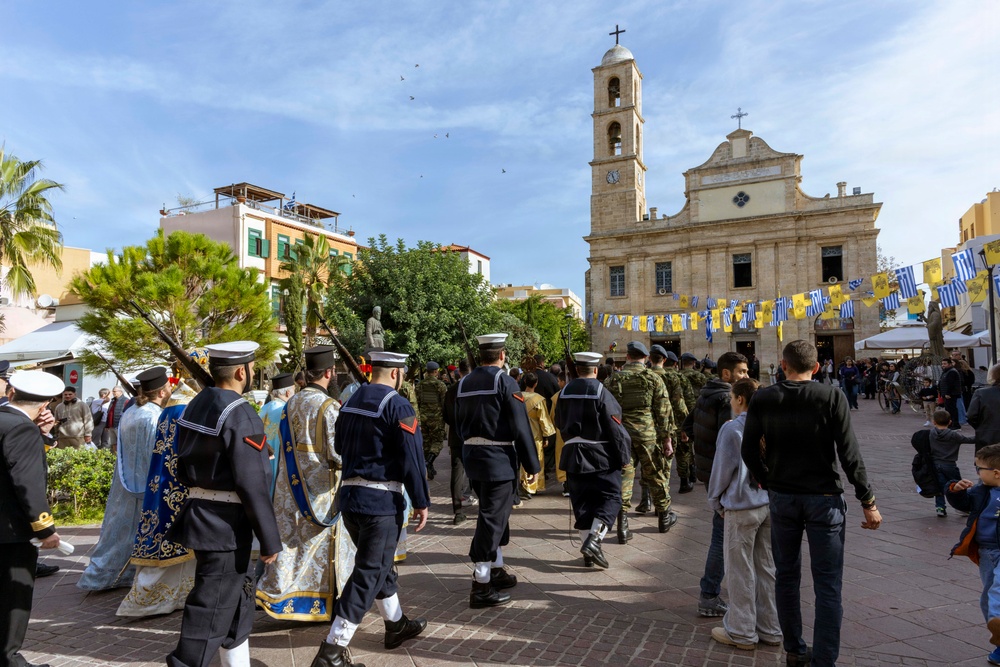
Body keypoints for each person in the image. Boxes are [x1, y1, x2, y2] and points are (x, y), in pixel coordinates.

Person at [741, 340, 882, 667]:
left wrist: (767, 480)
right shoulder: (831, 396)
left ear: (783, 364)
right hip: (824, 499)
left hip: (783, 497)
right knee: (828, 583)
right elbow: (849, 454)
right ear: (816, 367)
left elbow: (749, 450)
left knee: (786, 575)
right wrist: (868, 499)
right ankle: (824, 658)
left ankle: (794, 647)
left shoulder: (764, 397)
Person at [308, 351, 430, 667]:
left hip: (350, 500)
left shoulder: (348, 402)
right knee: (370, 571)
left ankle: (396, 624)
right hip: (380, 502)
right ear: (395, 374)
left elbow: (338, 446)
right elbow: (412, 457)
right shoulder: (397, 405)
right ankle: (333, 649)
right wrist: (421, 500)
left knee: (378, 565)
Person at [166, 341, 282, 667]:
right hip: (226, 524)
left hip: (203, 515)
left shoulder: (195, 404)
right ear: (242, 371)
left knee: (236, 603)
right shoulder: (241, 413)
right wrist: (270, 538)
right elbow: (252, 481)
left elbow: (178, 462)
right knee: (210, 611)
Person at [257, 347, 350, 622]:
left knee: (294, 548)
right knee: (318, 549)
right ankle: (322, 603)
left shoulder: (290, 404)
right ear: (330, 373)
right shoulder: (329, 407)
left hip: (290, 488)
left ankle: (284, 597)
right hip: (321, 494)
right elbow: (338, 453)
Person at [454, 333, 540, 608]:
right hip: (498, 458)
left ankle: (496, 568)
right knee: (492, 518)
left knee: (495, 514)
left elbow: (457, 423)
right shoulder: (505, 381)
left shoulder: (463, 382)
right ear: (502, 355)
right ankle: (481, 583)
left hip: (473, 456)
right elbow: (520, 424)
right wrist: (532, 464)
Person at [78, 367, 172, 591]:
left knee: (118, 533)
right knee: (135, 532)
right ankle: (114, 577)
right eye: (168, 386)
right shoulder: (154, 417)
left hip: (125, 482)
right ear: (161, 392)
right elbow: (158, 453)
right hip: (146, 485)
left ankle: (102, 575)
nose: (171, 389)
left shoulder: (132, 411)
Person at [117, 373, 200, 618]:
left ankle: (175, 596)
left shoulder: (167, 410)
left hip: (157, 484)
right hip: (177, 486)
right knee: (172, 543)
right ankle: (148, 599)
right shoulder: (186, 411)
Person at [707, 377, 781, 651]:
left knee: (740, 570)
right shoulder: (774, 424)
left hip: (741, 505)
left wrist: (715, 502)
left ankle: (742, 630)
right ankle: (770, 628)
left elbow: (722, 472)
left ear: (740, 399)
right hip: (768, 503)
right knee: (766, 568)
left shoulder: (733, 428)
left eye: (731, 399)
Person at [0, 371, 64, 667]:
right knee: (14, 598)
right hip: (10, 529)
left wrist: (43, 435)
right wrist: (45, 527)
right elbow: (27, 480)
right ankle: (10, 659)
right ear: (45, 404)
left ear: (11, 392)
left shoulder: (7, 420)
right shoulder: (21, 429)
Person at [683, 351, 748, 618]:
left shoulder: (705, 393)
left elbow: (688, 426)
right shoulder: (726, 398)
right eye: (742, 371)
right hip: (724, 478)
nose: (745, 375)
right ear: (726, 374)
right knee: (722, 538)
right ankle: (709, 594)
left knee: (723, 535)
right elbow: (729, 442)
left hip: (710, 473)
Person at [553, 352, 631, 569]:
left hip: (572, 455)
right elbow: (615, 428)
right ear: (595, 370)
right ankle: (595, 541)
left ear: (577, 370)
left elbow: (558, 422)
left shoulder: (563, 392)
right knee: (613, 497)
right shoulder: (601, 392)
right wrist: (624, 456)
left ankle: (588, 553)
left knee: (582, 503)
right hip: (600, 455)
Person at [604, 341, 675, 538]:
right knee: (656, 474)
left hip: (621, 435)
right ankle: (664, 517)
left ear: (627, 357)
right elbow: (663, 411)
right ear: (645, 358)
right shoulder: (652, 378)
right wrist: (667, 439)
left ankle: (622, 524)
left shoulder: (612, 380)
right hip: (647, 434)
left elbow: (605, 410)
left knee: (624, 478)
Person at [945, 444, 1000, 665]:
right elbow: (965, 504)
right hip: (987, 551)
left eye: (979, 468)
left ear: (996, 473)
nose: (977, 472)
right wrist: (955, 491)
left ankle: (998, 620)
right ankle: (998, 639)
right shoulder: (981, 490)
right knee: (988, 594)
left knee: (998, 590)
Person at [649, 346, 691, 494]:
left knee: (648, 461)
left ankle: (646, 498)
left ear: (649, 359)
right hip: (671, 422)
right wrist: (686, 425)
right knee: (679, 453)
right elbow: (680, 403)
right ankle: (683, 482)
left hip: (649, 424)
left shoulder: (645, 375)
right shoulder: (674, 377)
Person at [442, 360, 474, 525]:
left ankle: (458, 511)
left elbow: (446, 415)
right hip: (475, 436)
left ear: (459, 372)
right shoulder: (476, 388)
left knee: (457, 473)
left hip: (456, 436)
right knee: (479, 470)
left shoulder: (451, 390)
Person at [928, 408, 976, 517]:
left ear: (934, 422)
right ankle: (961, 508)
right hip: (950, 464)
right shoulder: (954, 435)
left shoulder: (931, 433)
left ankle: (940, 507)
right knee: (958, 486)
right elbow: (969, 440)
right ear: (950, 422)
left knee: (939, 487)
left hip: (936, 464)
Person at [259, 373, 295, 500]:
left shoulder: (264, 408)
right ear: (287, 393)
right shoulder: (285, 410)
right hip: (278, 462)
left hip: (260, 460)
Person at [518, 372, 555, 498]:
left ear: (524, 382)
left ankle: (524, 484)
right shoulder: (538, 399)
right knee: (536, 457)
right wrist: (547, 436)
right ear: (536, 383)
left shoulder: (518, 397)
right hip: (534, 433)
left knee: (523, 459)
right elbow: (543, 419)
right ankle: (533, 486)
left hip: (520, 431)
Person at [417, 361, 447, 480]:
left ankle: (429, 468)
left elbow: (417, 402)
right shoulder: (440, 385)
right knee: (437, 443)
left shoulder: (420, 385)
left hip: (423, 418)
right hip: (436, 418)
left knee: (426, 443)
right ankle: (428, 463)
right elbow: (444, 403)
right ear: (436, 371)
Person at [969, 364, 1000, 454]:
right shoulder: (981, 393)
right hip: (987, 433)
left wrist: (983, 427)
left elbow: (971, 416)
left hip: (987, 436)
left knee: (986, 464)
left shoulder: (981, 393)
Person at [940, 358, 963, 429]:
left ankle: (954, 424)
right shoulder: (946, 371)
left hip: (951, 394)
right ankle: (951, 424)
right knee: (949, 409)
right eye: (942, 364)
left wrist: (948, 393)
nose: (943, 365)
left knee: (951, 410)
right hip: (947, 393)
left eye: (945, 364)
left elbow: (951, 384)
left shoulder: (952, 372)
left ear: (949, 364)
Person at [102, 386, 127, 450]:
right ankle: (115, 457)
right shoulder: (113, 400)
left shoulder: (125, 401)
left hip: (119, 426)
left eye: (114, 391)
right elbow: (109, 413)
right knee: (113, 443)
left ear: (120, 392)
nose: (113, 393)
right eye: (113, 391)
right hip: (111, 426)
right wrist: (107, 425)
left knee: (120, 443)